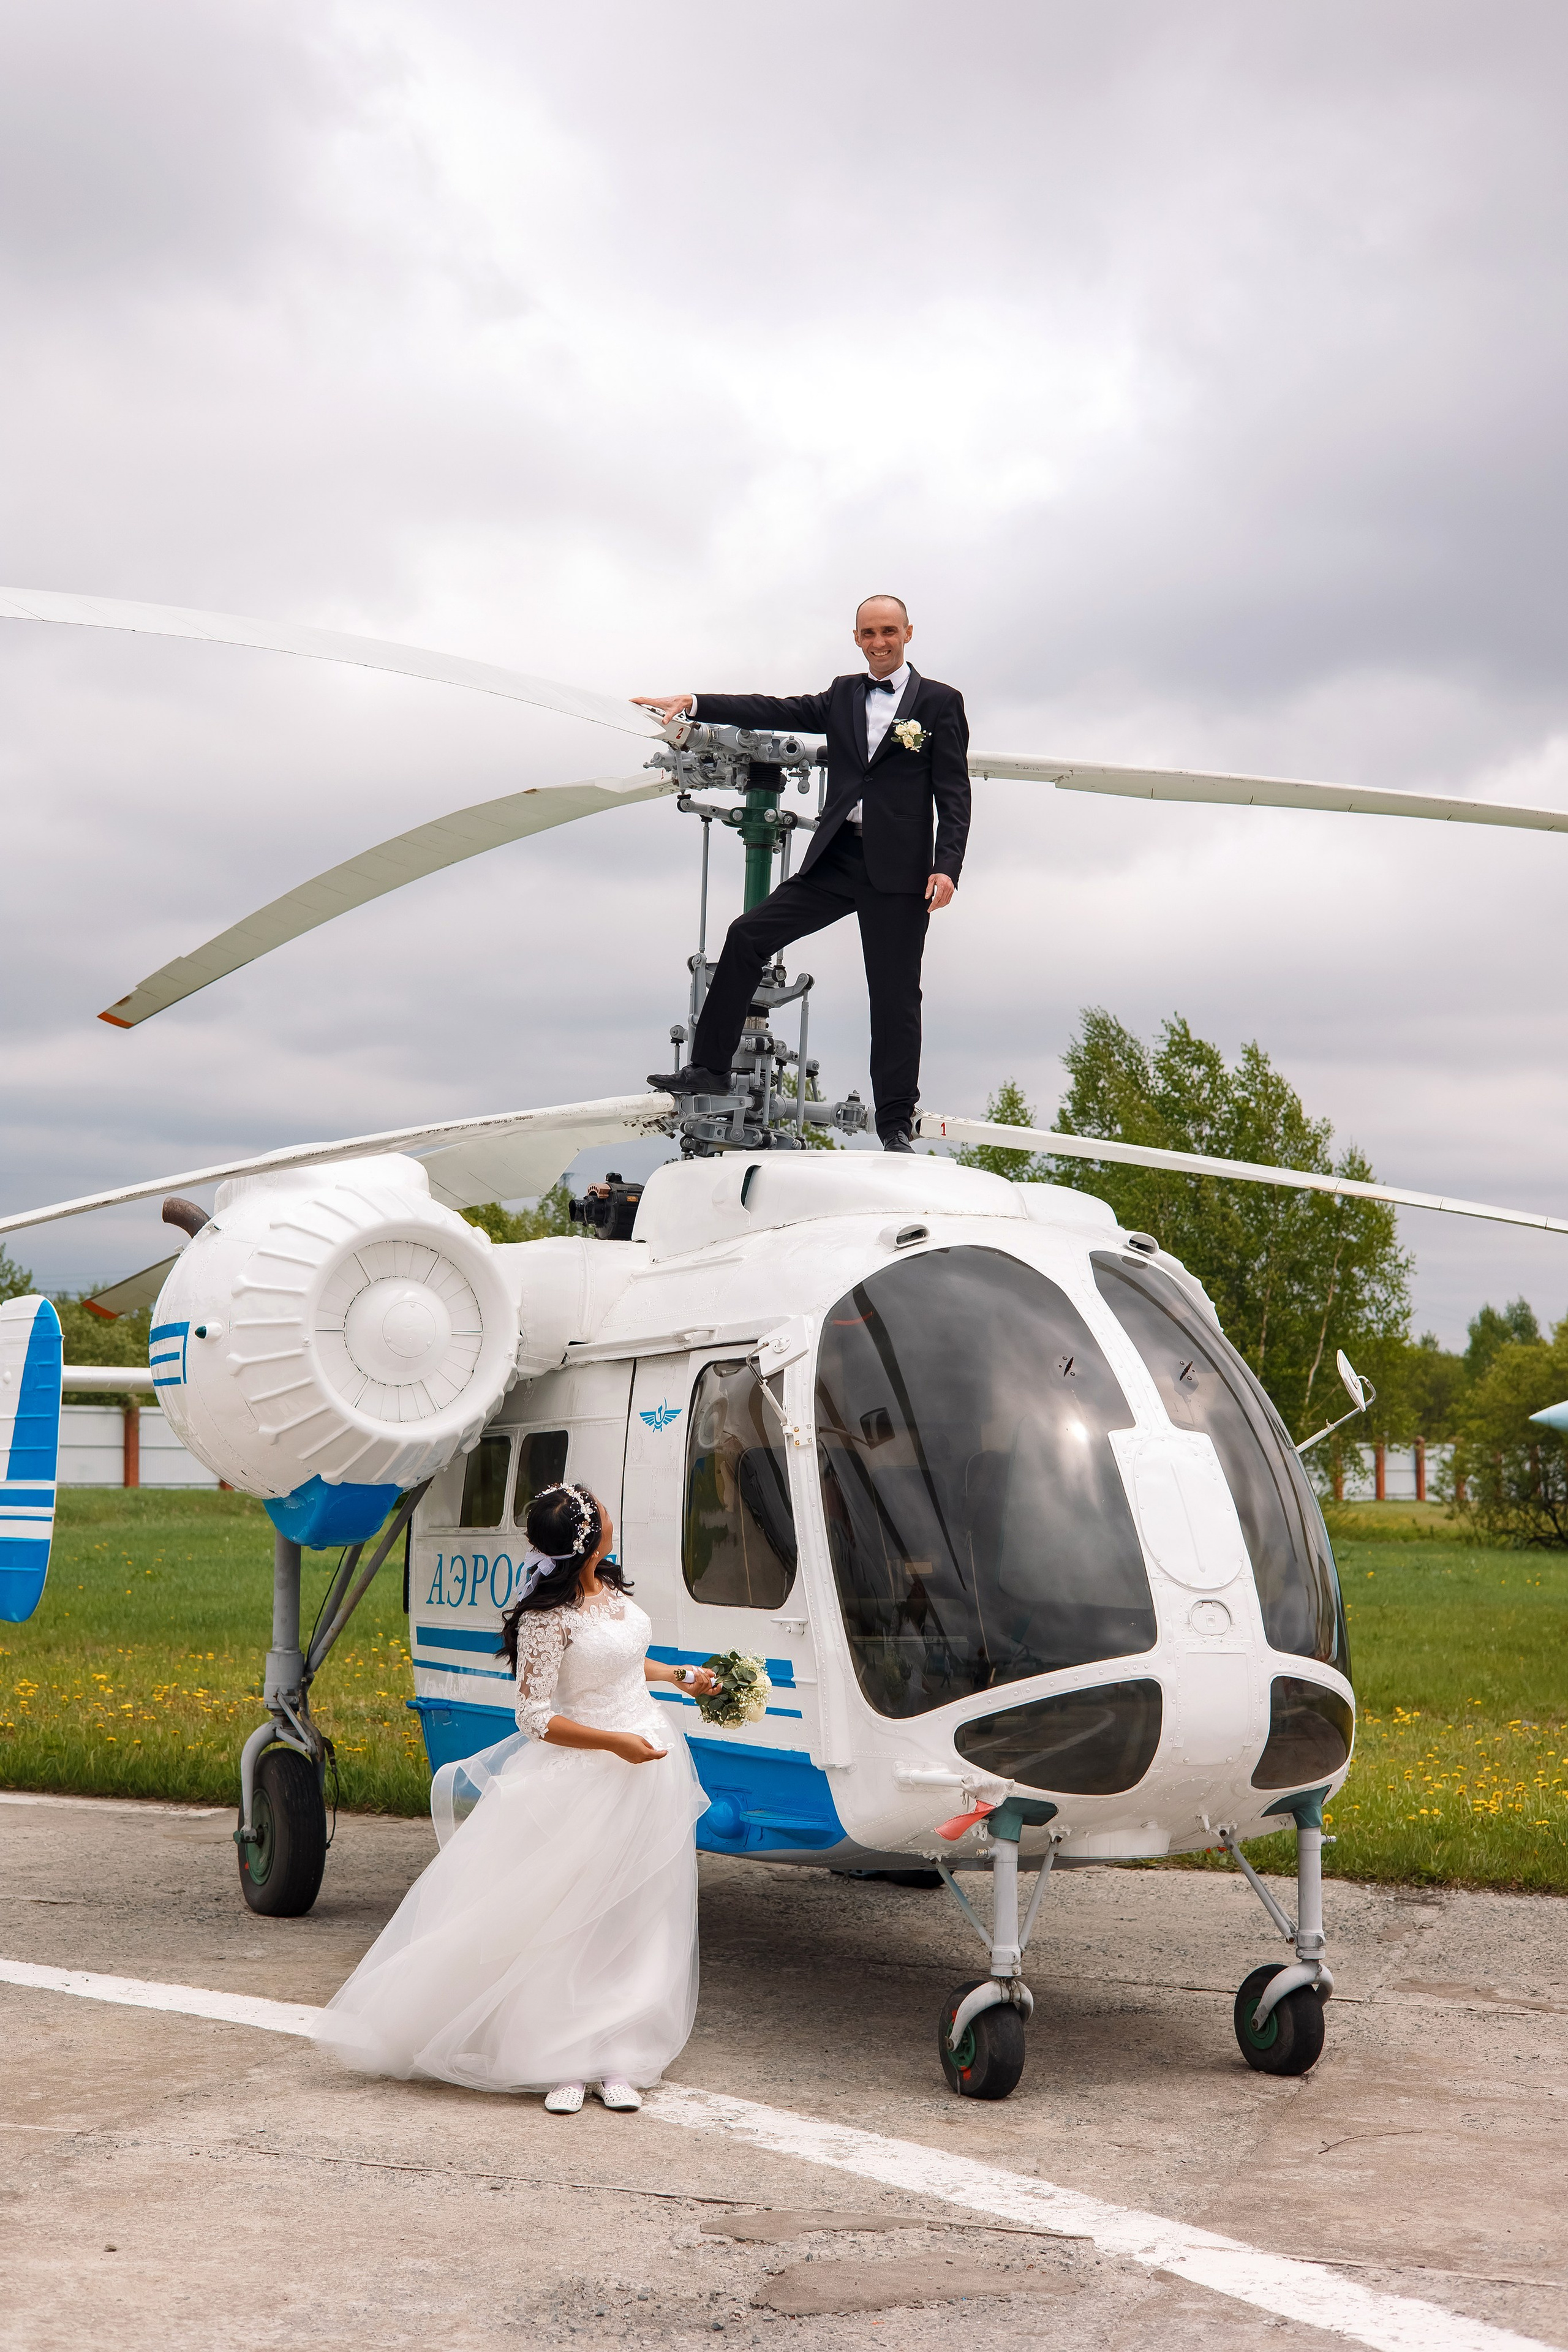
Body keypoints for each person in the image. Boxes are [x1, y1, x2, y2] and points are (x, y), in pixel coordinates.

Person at [315, 1482, 719, 2114]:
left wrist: (680, 1678)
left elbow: (619, 1661)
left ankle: (615, 2052)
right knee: (563, 1919)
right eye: (603, 1514)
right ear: (588, 1535)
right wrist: (614, 1744)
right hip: (586, 1773)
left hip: (650, 1764)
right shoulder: (543, 1617)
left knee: (633, 1913)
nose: (612, 1517)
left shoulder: (609, 1589)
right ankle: (556, 2058)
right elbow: (533, 1716)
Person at [638, 594, 970, 1153]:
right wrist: (695, 701)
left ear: (908, 633)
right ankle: (710, 1069)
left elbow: (953, 792)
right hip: (838, 856)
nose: (879, 642)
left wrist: (947, 867)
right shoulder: (844, 694)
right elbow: (774, 710)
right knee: (747, 935)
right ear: (857, 638)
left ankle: (894, 1123)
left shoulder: (940, 702)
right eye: (868, 633)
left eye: (889, 631)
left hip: (902, 871)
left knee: (893, 997)